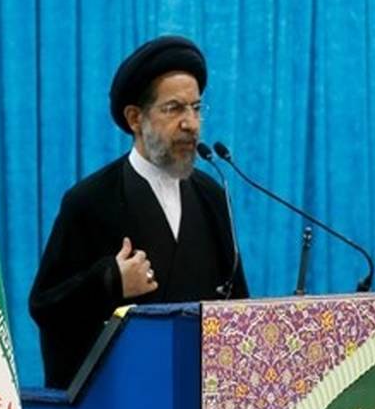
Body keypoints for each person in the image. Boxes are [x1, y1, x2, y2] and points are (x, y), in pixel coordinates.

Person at [29, 35, 249, 389]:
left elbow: (238, 305)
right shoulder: (90, 200)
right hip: (123, 399)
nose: (191, 123)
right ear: (135, 118)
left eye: (196, 108)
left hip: (201, 395)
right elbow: (46, 306)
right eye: (174, 109)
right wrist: (110, 281)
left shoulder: (211, 195)